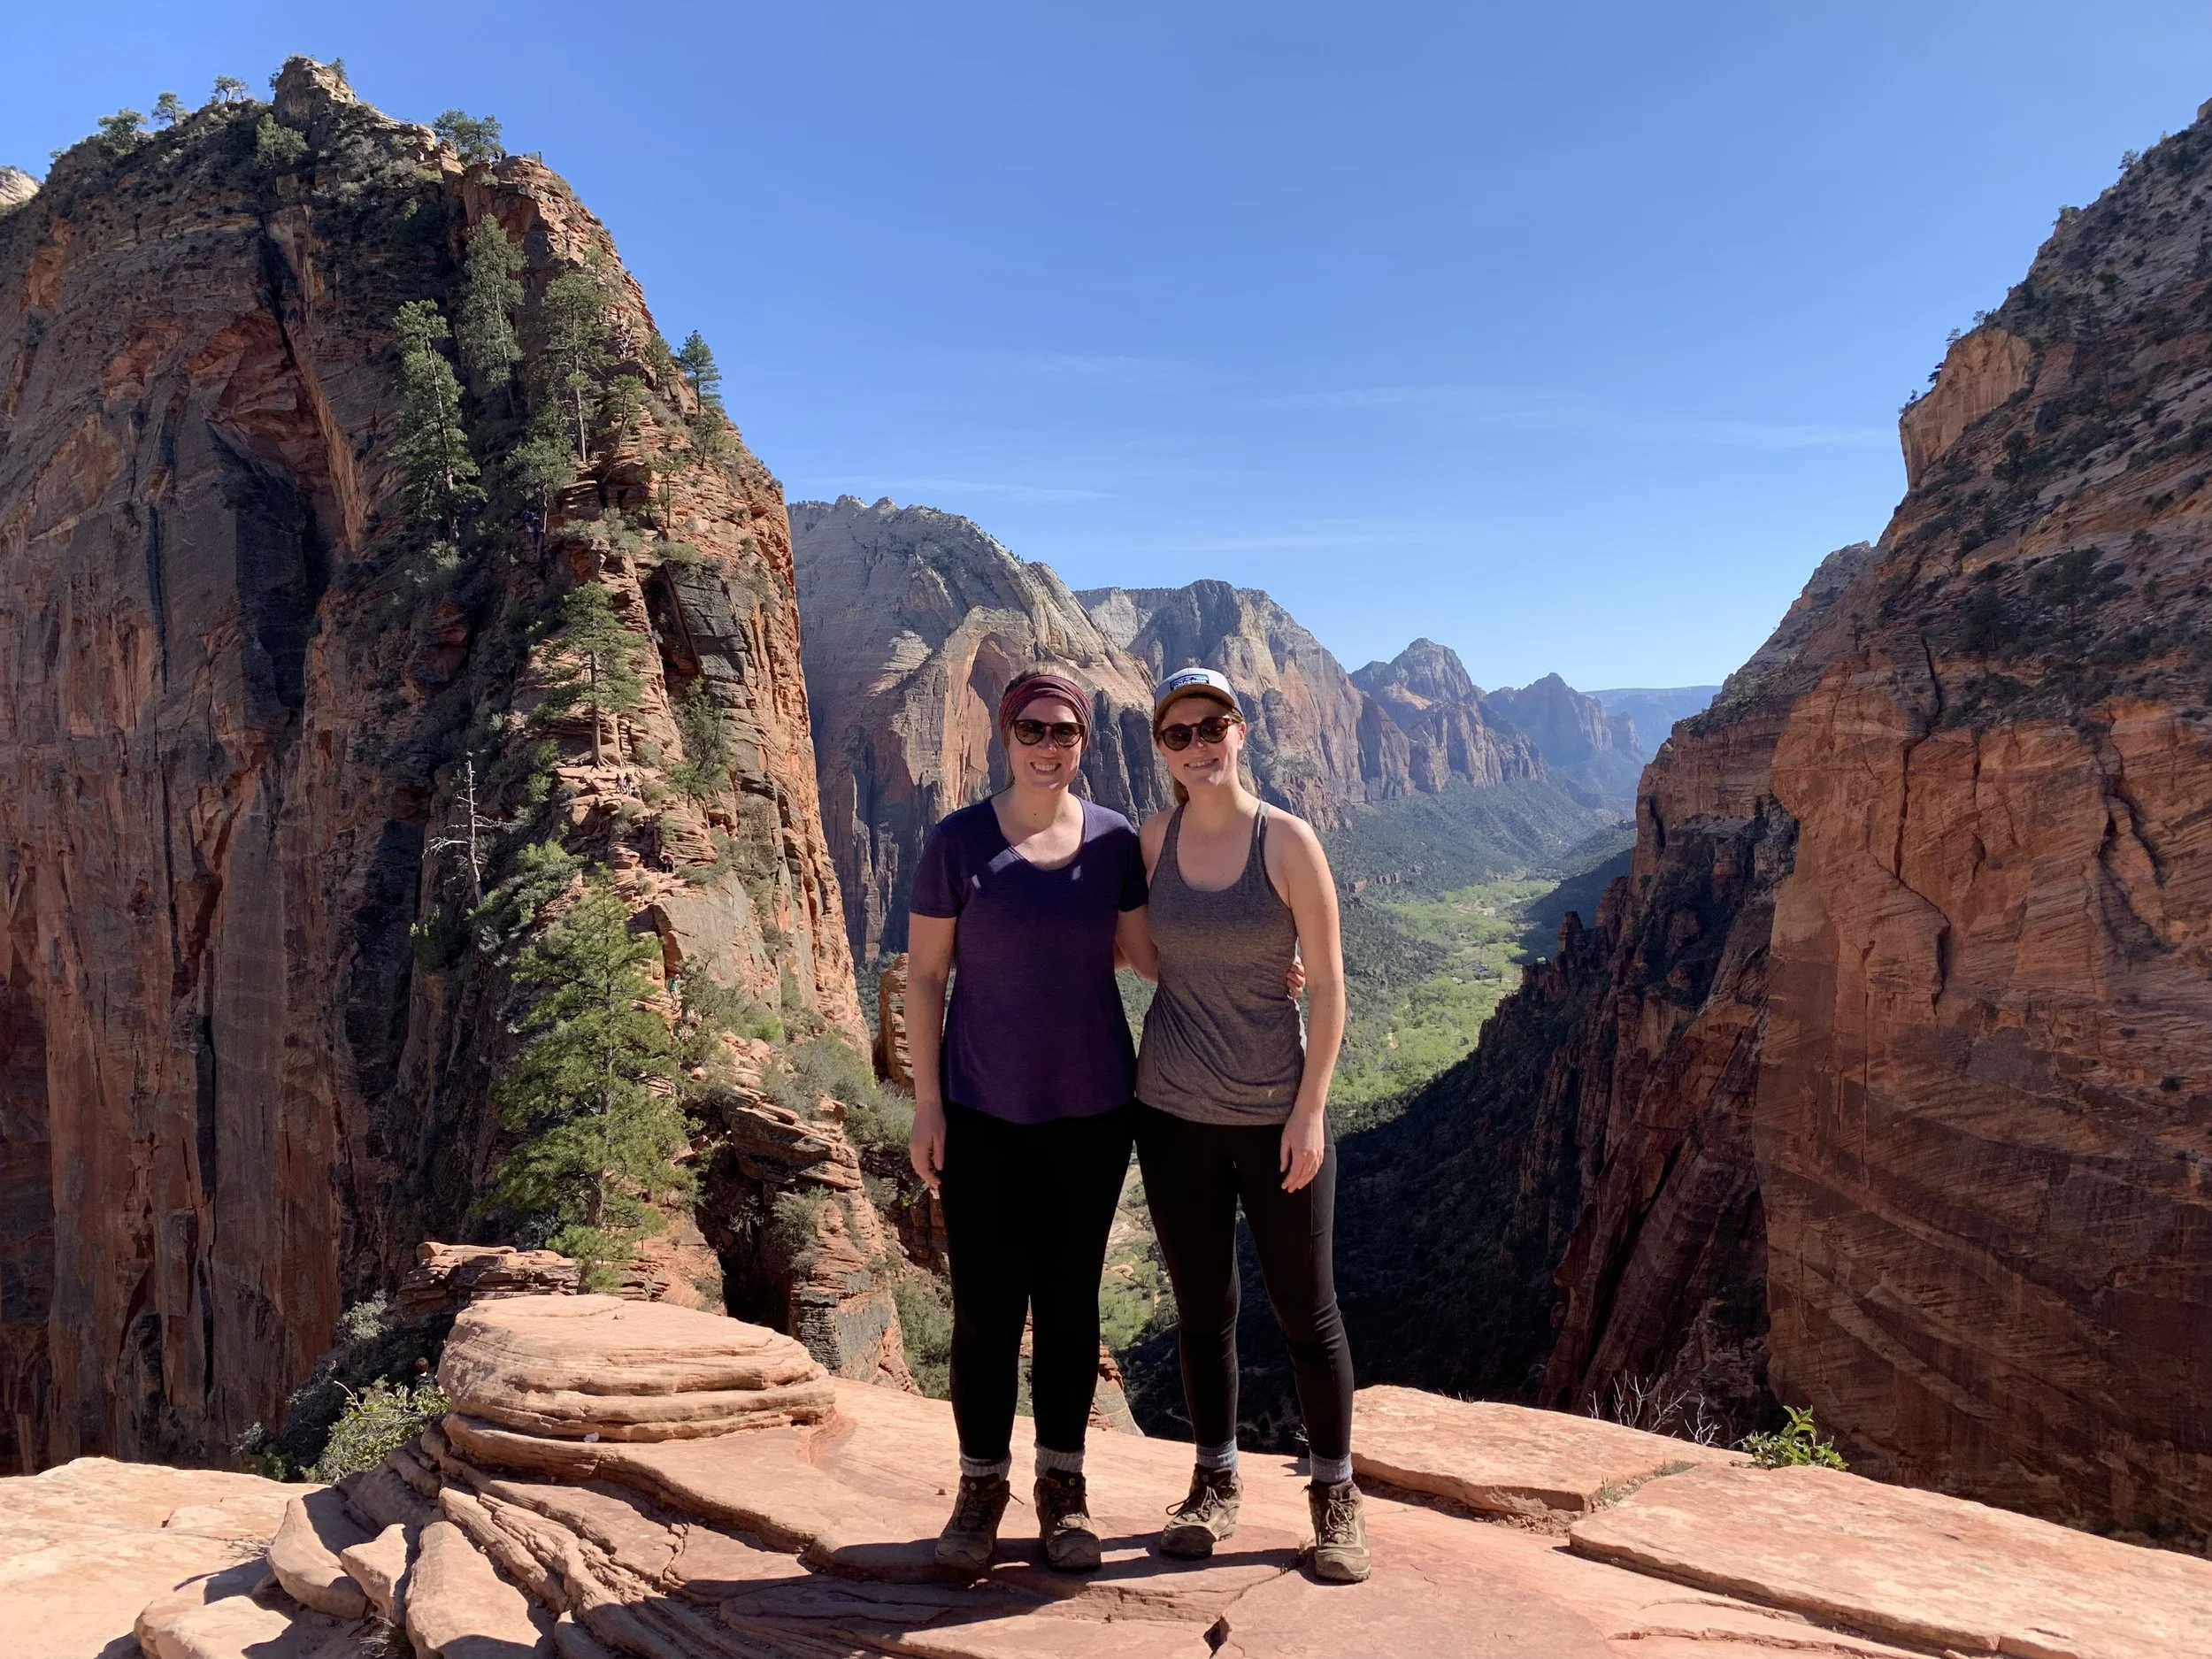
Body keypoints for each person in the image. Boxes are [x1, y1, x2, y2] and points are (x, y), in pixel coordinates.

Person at [1125, 665, 1370, 1584]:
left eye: (1211, 726)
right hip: (1171, 1113)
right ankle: (1213, 1482)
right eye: (1177, 734)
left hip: (1276, 1119)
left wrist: (1310, 1111)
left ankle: (1335, 1495)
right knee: (1203, 1313)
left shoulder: (1288, 840)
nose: (1197, 746)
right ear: (1162, 749)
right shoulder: (1153, 839)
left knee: (1308, 1314)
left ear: (1240, 731)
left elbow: (1332, 985)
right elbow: (1144, 956)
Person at [904, 671, 1150, 1575]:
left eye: (1064, 731)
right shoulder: (958, 841)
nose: (1048, 746)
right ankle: (980, 1488)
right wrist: (926, 1102)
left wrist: (1263, 959)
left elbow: (1147, 955)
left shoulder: (1115, 840)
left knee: (1070, 1304)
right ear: (1004, 736)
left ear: (1084, 740)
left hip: (1094, 1112)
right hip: (981, 1110)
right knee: (986, 1312)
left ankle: (1063, 1488)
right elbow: (925, 976)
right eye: (1031, 729)